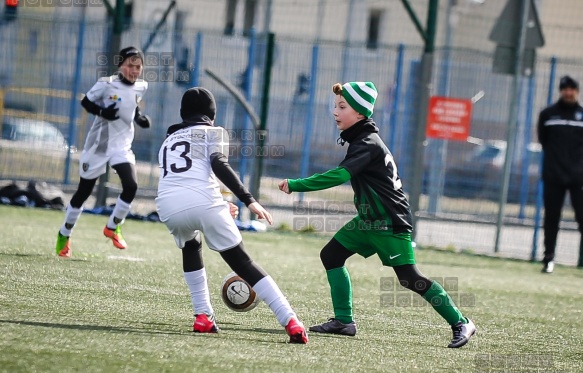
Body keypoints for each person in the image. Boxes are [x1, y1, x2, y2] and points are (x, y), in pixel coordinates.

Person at [278, 81, 476, 348]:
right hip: (368, 220)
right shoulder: (361, 140)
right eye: (335, 106)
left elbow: (340, 175)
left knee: (409, 278)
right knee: (331, 255)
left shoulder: (367, 143)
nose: (335, 112)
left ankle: (461, 322)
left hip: (389, 222)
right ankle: (344, 322)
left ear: (360, 113)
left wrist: (296, 185)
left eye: (342, 107)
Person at [155, 87, 308, 344]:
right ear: (211, 116)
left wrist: (221, 204)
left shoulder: (168, 141)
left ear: (183, 114)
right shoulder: (214, 132)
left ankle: (203, 316)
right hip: (201, 202)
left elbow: (184, 181)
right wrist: (249, 200)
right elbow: (218, 163)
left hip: (168, 206)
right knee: (242, 263)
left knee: (191, 247)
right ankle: (291, 321)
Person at [55, 46, 151, 257]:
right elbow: (86, 102)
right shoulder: (106, 84)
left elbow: (133, 105)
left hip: (122, 146)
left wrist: (139, 118)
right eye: (130, 66)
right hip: (98, 146)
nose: (134, 71)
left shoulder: (142, 86)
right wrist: (101, 112)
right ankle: (64, 233)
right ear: (120, 65)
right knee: (83, 192)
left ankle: (112, 226)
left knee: (131, 186)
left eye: (138, 66)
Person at [537, 75, 583, 273]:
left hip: (579, 178)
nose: (568, 92)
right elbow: (543, 141)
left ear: (577, 91)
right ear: (560, 91)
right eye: (565, 88)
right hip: (553, 176)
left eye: (572, 88)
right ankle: (549, 259)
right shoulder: (548, 115)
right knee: (551, 218)